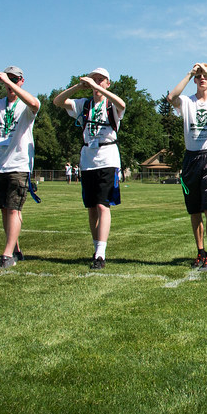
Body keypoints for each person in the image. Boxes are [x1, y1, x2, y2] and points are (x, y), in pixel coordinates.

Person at [53, 68, 126, 270]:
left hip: (107, 158)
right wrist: (79, 86)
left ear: (108, 83)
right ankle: (96, 249)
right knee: (92, 208)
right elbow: (57, 102)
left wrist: (96, 87)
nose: (97, 83)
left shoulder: (111, 104)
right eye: (95, 79)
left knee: (103, 205)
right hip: (88, 159)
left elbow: (122, 105)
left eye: (101, 80)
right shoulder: (84, 105)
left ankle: (101, 254)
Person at [166, 63, 207, 272]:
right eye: (199, 76)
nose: (202, 78)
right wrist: (189, 73)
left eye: (206, 76)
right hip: (191, 158)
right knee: (194, 209)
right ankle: (200, 252)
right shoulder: (187, 102)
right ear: (195, 80)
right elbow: (171, 98)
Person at [0, 66, 40, 270]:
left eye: (15, 79)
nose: (10, 83)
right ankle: (14, 248)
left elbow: (34, 104)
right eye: (8, 79)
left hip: (19, 164)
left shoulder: (25, 104)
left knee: (14, 209)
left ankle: (7, 254)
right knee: (4, 210)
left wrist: (10, 83)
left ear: (22, 81)